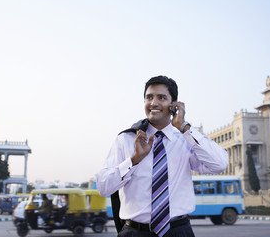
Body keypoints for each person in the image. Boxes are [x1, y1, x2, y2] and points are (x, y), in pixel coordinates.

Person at [96, 76, 228, 237]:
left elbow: (219, 164)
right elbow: (103, 187)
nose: (154, 103)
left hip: (178, 231)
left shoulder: (186, 140)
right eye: (149, 97)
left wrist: (184, 127)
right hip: (135, 232)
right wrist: (134, 160)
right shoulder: (126, 140)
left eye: (162, 97)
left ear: (174, 105)